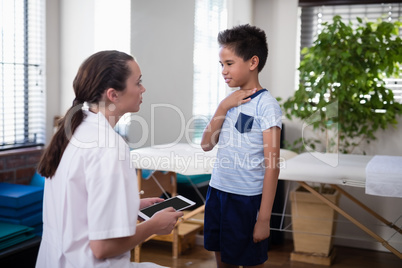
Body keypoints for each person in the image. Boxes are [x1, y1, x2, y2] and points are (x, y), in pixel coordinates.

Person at [36, 50, 183, 268]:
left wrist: (129, 207)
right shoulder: (110, 147)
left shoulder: (74, 132)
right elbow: (103, 247)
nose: (143, 89)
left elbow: (77, 208)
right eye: (138, 82)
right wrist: (153, 226)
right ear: (113, 94)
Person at [201, 24, 282, 268]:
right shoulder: (228, 101)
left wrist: (264, 219)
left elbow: (273, 166)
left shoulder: (266, 106)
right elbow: (206, 144)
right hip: (218, 191)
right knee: (221, 260)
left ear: (252, 62)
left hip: (246, 201)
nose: (223, 71)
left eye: (229, 63)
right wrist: (223, 107)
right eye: (221, 65)